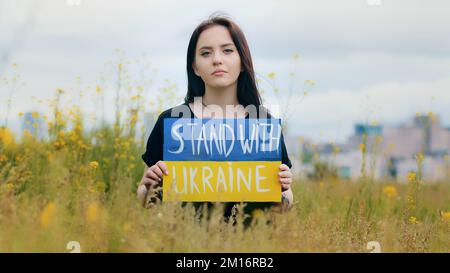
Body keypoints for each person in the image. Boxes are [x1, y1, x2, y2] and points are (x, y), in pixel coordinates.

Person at [137, 14, 293, 224]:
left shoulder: (263, 122)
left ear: (242, 60)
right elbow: (146, 201)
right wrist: (147, 187)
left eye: (227, 50)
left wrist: (284, 189)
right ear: (195, 66)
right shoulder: (172, 120)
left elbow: (285, 203)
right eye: (205, 53)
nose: (217, 59)